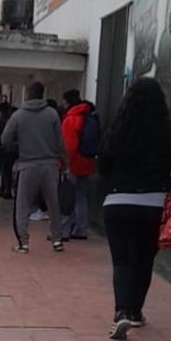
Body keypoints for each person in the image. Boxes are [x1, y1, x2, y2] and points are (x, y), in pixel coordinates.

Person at [98, 77, 171, 339]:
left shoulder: (118, 129)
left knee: (123, 261)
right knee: (144, 259)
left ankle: (122, 312)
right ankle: (136, 312)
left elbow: (103, 167)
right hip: (155, 204)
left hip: (118, 203)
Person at [1, 81, 68, 253]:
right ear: (42, 94)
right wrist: (64, 162)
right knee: (53, 204)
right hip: (50, 165)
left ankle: (23, 243)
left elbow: (5, 139)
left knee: (22, 205)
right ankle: (57, 240)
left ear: (28, 94)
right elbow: (61, 142)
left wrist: (16, 147)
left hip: (27, 165)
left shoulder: (19, 115)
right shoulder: (52, 114)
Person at [60, 89, 96, 240]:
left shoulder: (70, 119)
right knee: (81, 196)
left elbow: (69, 146)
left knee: (67, 197)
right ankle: (81, 229)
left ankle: (64, 230)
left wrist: (65, 163)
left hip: (73, 163)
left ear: (67, 101)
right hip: (87, 162)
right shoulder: (88, 116)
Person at [0, 101, 16, 199]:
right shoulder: (6, 121)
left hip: (6, 149)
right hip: (1, 148)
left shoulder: (8, 122)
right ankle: (4, 189)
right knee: (4, 170)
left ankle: (7, 190)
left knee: (6, 170)